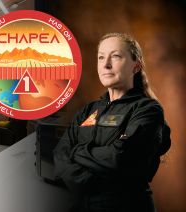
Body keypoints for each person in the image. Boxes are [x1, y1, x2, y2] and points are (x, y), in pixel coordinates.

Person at [54, 32, 171, 212]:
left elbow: (121, 158)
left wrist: (77, 150)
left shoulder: (147, 110)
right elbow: (60, 154)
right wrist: (91, 181)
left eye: (115, 56)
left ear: (136, 66)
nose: (106, 64)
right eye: (101, 57)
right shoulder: (88, 110)